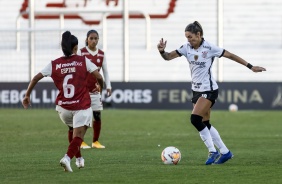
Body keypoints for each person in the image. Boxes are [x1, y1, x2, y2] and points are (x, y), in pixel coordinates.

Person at [157, 21, 266, 165]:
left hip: (209, 90)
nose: (188, 40)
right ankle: (225, 152)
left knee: (195, 119)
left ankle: (213, 151)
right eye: (186, 37)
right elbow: (168, 57)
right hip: (196, 90)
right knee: (205, 123)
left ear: (199, 34)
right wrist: (162, 51)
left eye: (190, 37)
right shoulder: (186, 48)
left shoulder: (209, 48)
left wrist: (251, 67)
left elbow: (231, 55)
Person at [22, 31, 104, 172]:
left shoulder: (55, 64)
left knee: (72, 130)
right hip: (81, 105)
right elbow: (99, 77)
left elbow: (35, 78)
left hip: (63, 108)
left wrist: (27, 95)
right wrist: (100, 87)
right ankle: (67, 158)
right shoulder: (82, 60)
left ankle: (79, 159)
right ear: (76, 47)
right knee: (79, 135)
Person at [77, 29, 112, 149]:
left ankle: (95, 141)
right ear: (87, 39)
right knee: (83, 116)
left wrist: (108, 86)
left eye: (96, 38)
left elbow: (105, 71)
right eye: (91, 38)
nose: (93, 40)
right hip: (82, 90)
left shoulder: (101, 54)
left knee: (97, 115)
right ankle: (80, 141)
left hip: (95, 90)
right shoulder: (81, 53)